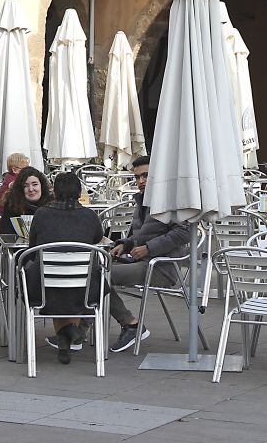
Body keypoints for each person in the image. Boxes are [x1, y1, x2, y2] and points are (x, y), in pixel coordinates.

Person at [106, 155, 192, 352]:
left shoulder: (170, 201)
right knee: (93, 269)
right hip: (139, 261)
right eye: (137, 177)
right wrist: (124, 244)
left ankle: (131, 325)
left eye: (146, 176)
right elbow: (139, 236)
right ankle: (77, 331)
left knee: (98, 276)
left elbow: (184, 232)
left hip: (162, 267)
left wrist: (149, 248)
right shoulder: (142, 200)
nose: (141, 181)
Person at [24, 172, 103, 365]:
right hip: (83, 287)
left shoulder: (42, 214)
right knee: (84, 280)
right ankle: (67, 334)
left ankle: (64, 337)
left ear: (54, 191)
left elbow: (33, 249)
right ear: (79, 191)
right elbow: (97, 238)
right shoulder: (90, 216)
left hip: (44, 287)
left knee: (43, 278)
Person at [0, 166, 49, 237]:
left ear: (42, 185)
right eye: (25, 186)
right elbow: (5, 235)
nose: (31, 189)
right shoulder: (13, 205)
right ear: (20, 189)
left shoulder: (51, 205)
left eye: (35, 184)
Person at [0, 153, 29, 235]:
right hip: (4, 228)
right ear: (15, 170)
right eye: (25, 169)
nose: (28, 172)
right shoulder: (14, 182)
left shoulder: (8, 178)